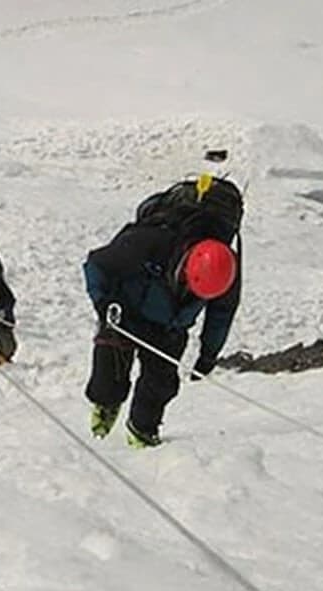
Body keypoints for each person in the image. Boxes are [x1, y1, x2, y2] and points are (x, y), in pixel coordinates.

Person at [82, 175, 242, 448]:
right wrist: (104, 304)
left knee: (161, 385)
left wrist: (207, 356)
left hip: (171, 327)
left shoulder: (226, 269)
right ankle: (106, 403)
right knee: (107, 379)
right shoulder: (150, 242)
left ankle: (142, 431)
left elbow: (222, 314)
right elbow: (97, 265)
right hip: (126, 313)